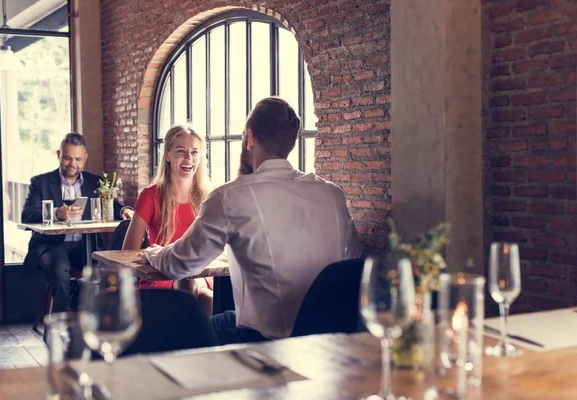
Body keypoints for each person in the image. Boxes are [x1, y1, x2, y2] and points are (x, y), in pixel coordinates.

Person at [142, 97, 362, 345]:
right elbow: (352, 260)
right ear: (291, 141)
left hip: (266, 340)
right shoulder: (332, 193)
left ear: (250, 138)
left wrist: (154, 252)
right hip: (329, 337)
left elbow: (180, 265)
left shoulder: (229, 196)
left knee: (179, 333)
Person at [22, 133, 133, 311]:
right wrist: (57, 213)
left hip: (86, 245)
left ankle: (91, 314)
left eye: (78, 159)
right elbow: (26, 214)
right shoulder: (40, 183)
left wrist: (124, 210)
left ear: (85, 159)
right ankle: (71, 316)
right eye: (67, 158)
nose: (72, 163)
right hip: (51, 246)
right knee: (59, 269)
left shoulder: (95, 182)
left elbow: (114, 206)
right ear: (59, 154)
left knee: (108, 270)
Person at [122, 124, 214, 315]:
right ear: (167, 155)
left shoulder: (209, 196)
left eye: (194, 152)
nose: (189, 158)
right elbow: (128, 251)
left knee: (205, 294)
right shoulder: (150, 195)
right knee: (191, 287)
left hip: (200, 274)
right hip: (160, 274)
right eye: (181, 151)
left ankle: (191, 343)